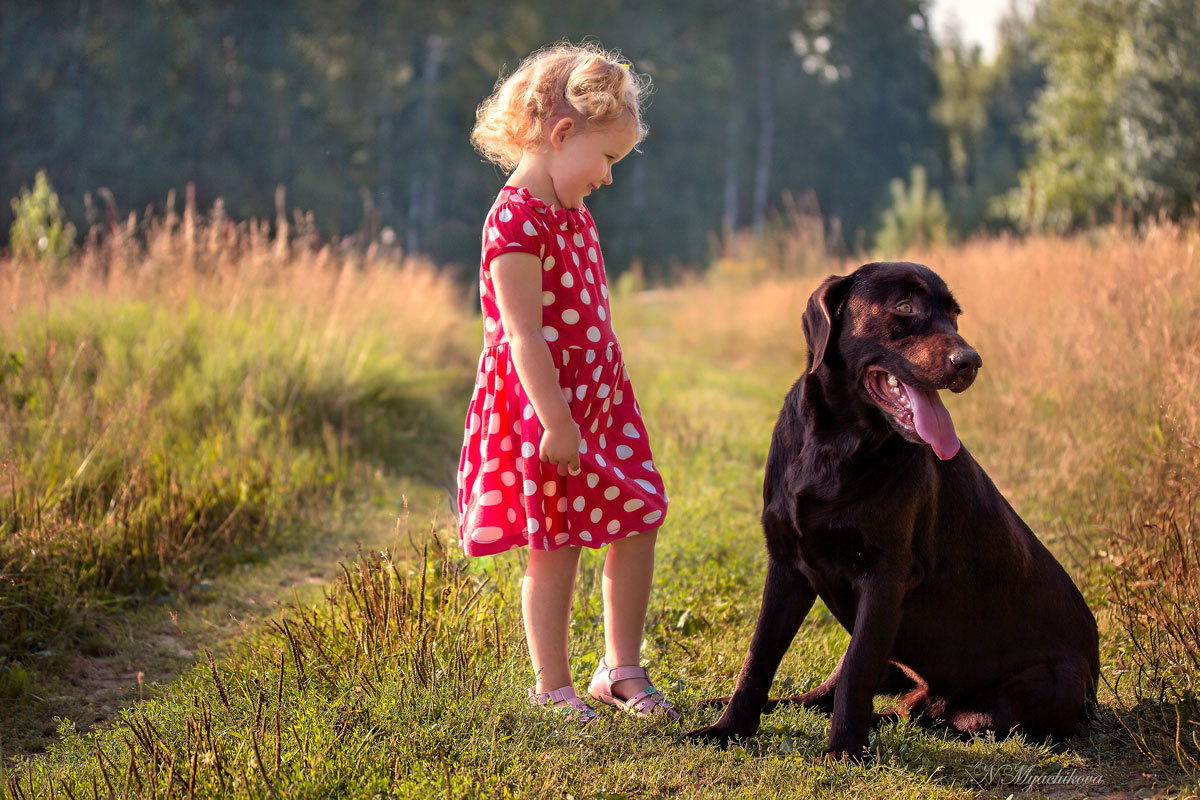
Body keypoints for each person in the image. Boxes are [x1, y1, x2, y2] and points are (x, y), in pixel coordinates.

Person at [457, 43, 677, 723]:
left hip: (600, 402)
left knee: (638, 512)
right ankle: (552, 685)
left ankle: (620, 668)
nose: (609, 177)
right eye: (607, 159)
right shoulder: (514, 222)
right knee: (556, 542)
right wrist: (556, 420)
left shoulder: (572, 211)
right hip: (545, 408)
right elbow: (521, 335)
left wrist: (594, 404)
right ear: (561, 135)